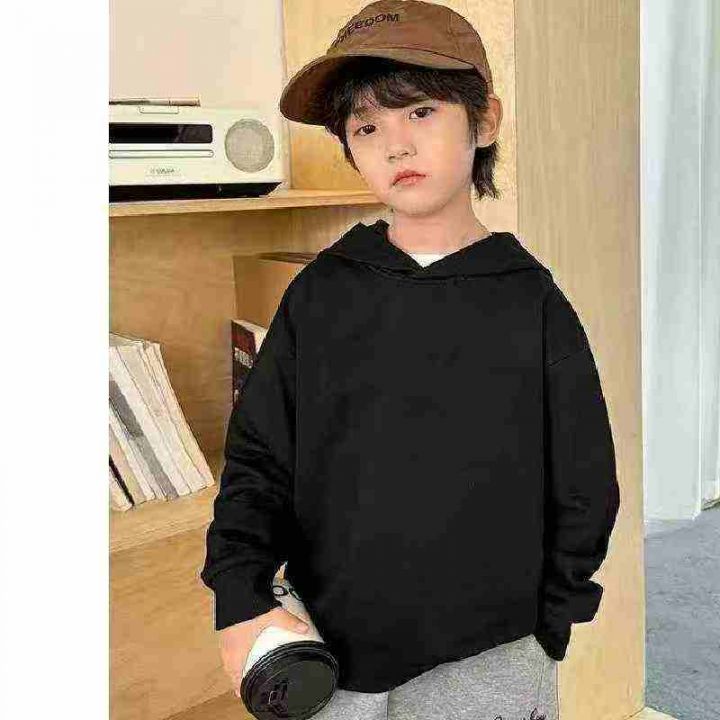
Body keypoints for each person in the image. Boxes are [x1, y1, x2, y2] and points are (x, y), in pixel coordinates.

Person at [200, 1, 621, 718]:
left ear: (484, 120)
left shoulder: (532, 302)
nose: (395, 145)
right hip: (329, 652)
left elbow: (584, 481)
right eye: (367, 127)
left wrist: (552, 622)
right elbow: (258, 462)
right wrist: (239, 597)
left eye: (421, 112)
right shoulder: (319, 295)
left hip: (492, 657)